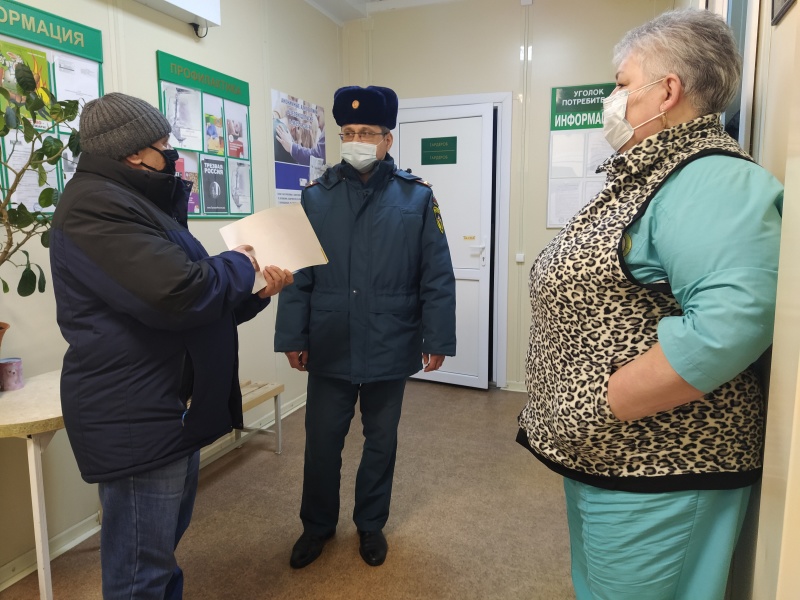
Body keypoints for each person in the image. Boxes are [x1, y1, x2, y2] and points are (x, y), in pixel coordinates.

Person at [518, 9, 783, 600]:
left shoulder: (710, 178)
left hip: (659, 463)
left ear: (667, 91)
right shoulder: (647, 175)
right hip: (610, 454)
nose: (611, 98)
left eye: (620, 83)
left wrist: (593, 403)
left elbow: (730, 325)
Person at [49, 92, 293, 599]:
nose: (171, 154)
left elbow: (195, 296)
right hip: (136, 414)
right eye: (163, 145)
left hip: (166, 407)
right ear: (134, 153)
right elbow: (179, 293)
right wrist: (243, 263)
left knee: (158, 557)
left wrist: (256, 289)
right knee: (141, 572)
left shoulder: (138, 203)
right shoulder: (96, 207)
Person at [274, 85, 456, 569]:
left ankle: (370, 524)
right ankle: (317, 526)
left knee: (381, 442)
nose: (355, 139)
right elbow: (297, 273)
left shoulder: (417, 199)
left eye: (366, 132)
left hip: (389, 339)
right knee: (321, 444)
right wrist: (292, 336)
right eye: (347, 132)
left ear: (387, 139)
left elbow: (435, 274)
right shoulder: (315, 198)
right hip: (329, 340)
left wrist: (436, 337)